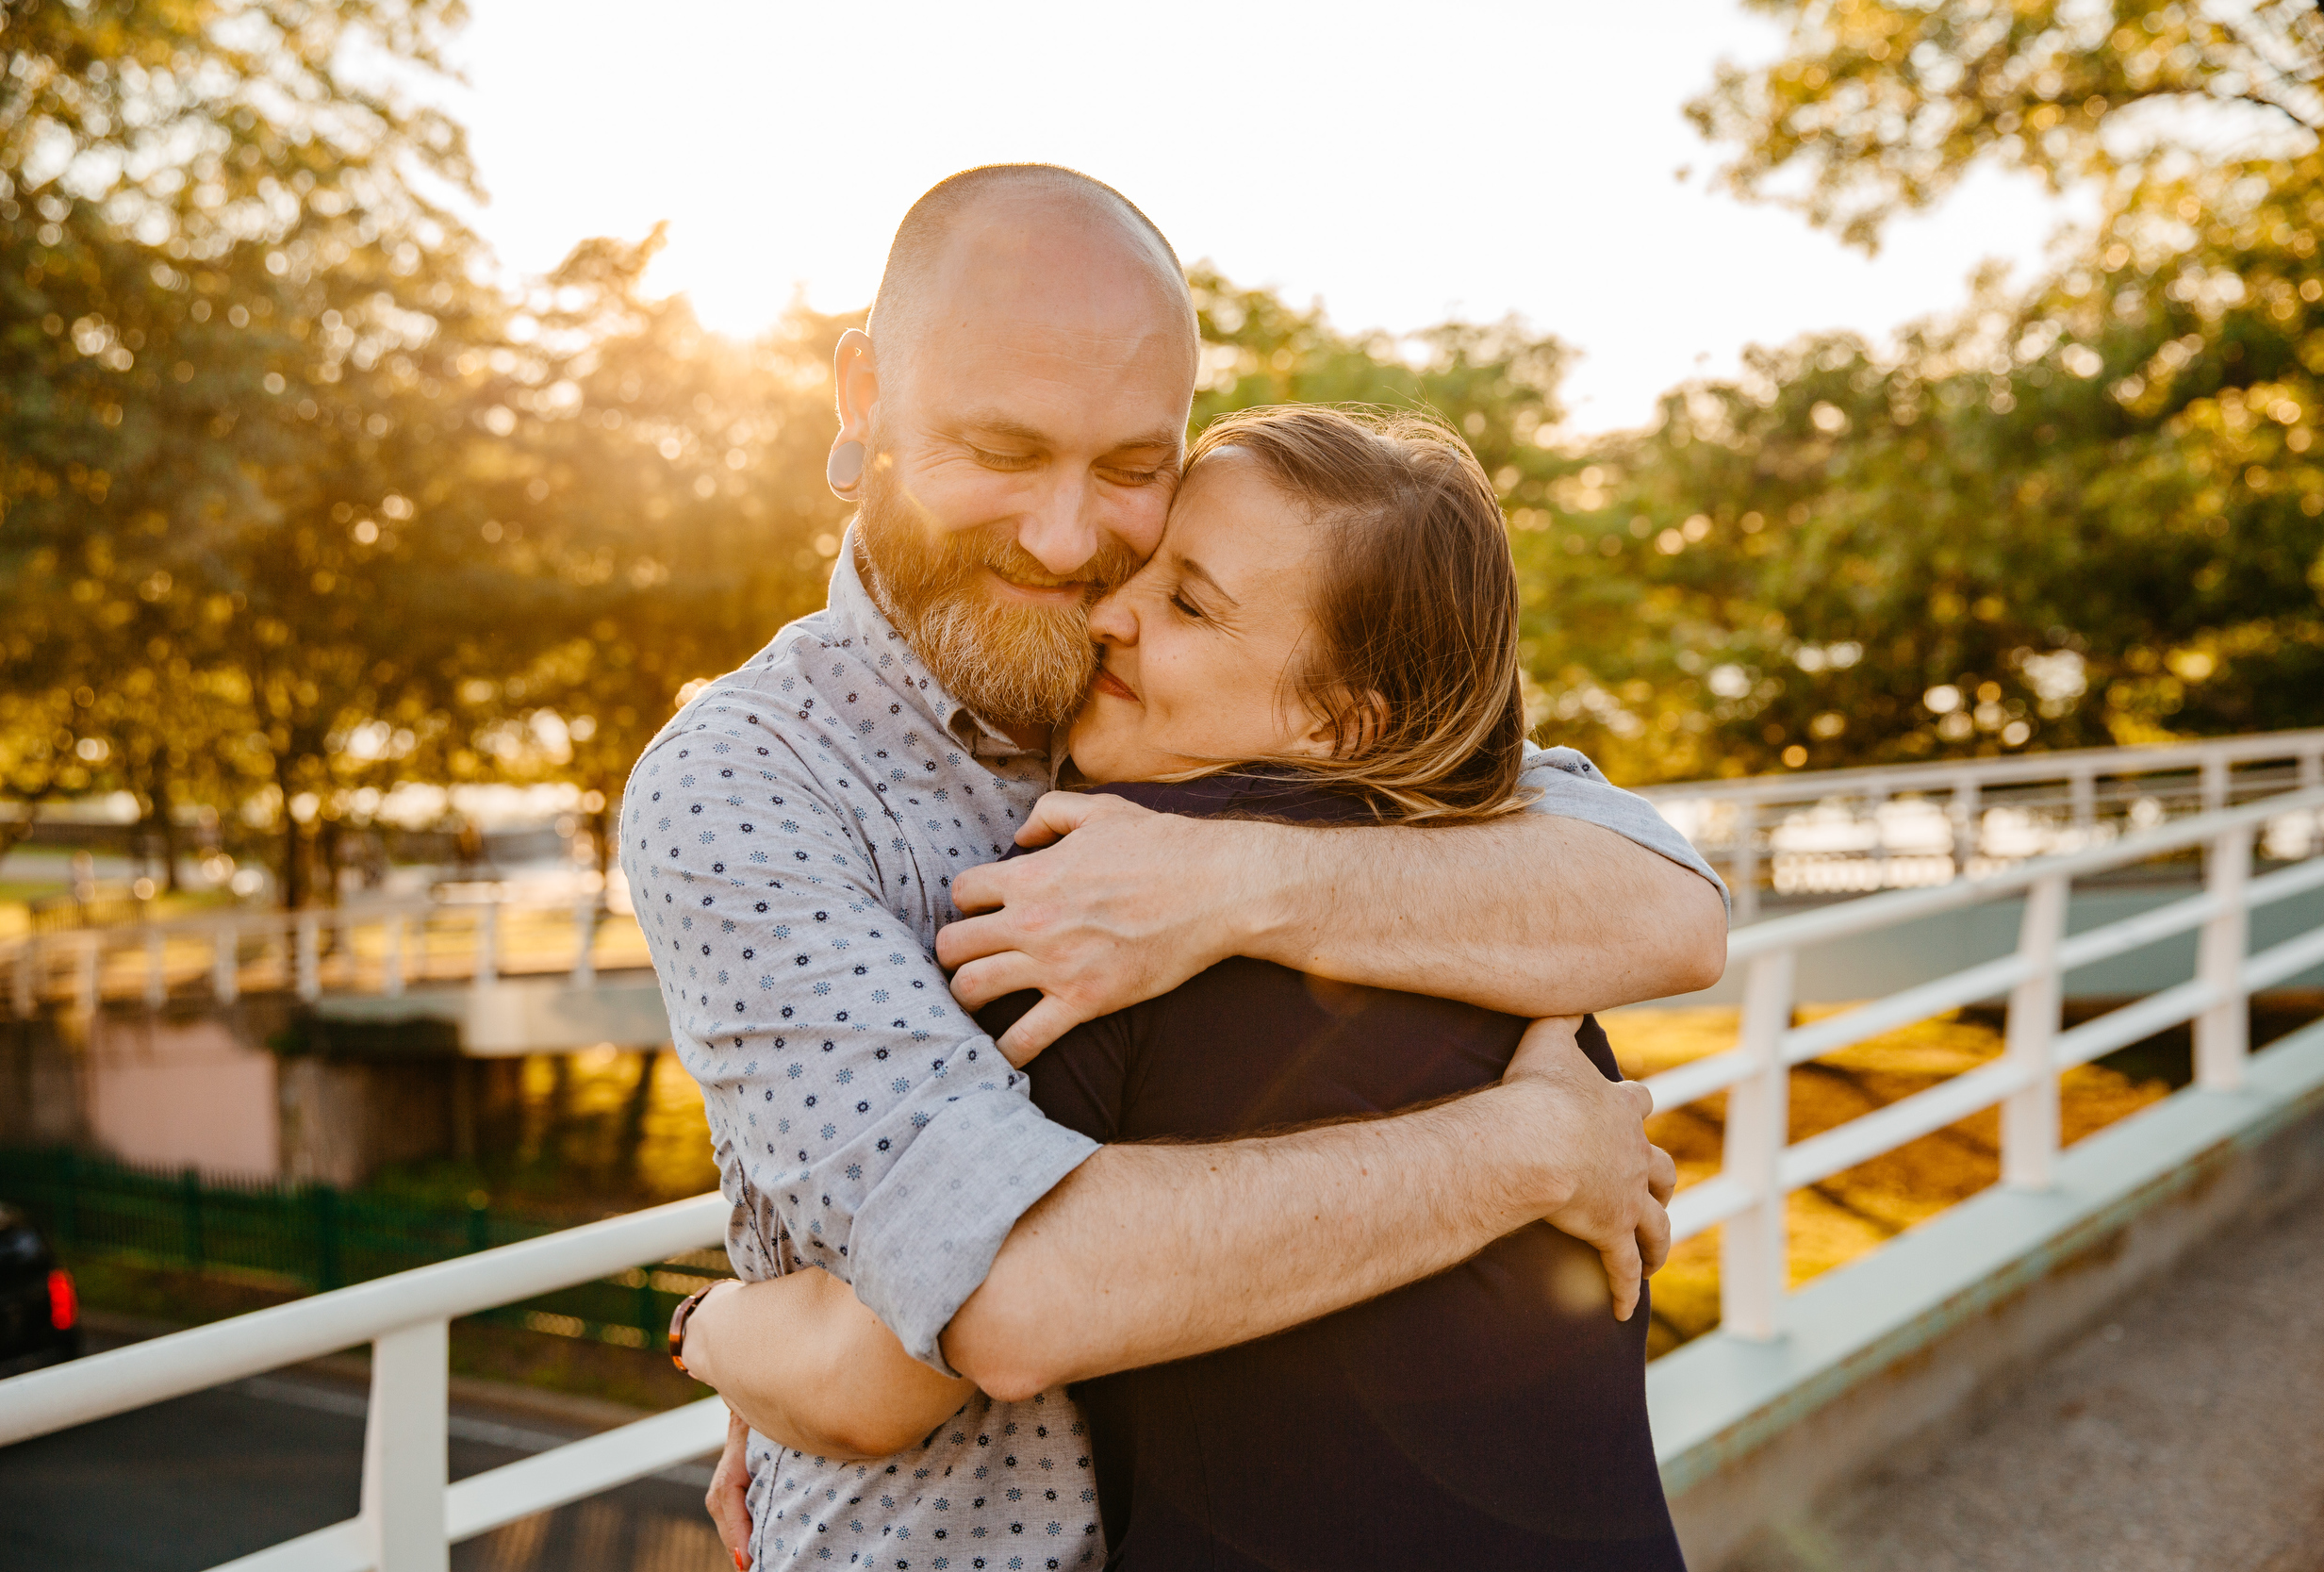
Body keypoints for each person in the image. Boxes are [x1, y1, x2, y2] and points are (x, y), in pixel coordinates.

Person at [620, 163, 1724, 1572]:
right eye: (1003, 451)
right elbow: (1003, 1289)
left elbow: (1666, 905)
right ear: (863, 405)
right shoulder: (752, 778)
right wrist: (1527, 1149)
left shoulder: (1231, 700)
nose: (1075, 543)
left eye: (1134, 468)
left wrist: (1228, 888)